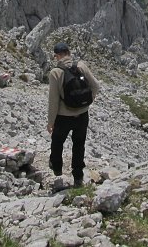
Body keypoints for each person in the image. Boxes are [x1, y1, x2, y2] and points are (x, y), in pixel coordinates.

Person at [47, 41, 100, 187]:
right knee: (79, 145)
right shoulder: (81, 66)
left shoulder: (55, 73)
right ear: (69, 53)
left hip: (63, 117)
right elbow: (95, 86)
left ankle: (57, 170)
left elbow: (53, 100)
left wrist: (50, 122)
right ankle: (78, 177)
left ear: (57, 56)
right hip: (82, 115)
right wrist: (87, 102)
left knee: (57, 143)